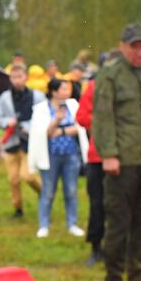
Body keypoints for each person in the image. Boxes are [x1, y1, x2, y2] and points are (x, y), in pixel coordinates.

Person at [91, 23, 141, 281]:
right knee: (118, 224)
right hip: (121, 163)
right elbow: (102, 117)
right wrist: (110, 154)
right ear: (123, 47)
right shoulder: (111, 75)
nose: (139, 52)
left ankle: (137, 273)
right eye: (134, 46)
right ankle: (113, 277)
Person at [30, 77, 87, 238]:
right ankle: (44, 225)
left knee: (71, 190)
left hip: (71, 155)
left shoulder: (73, 105)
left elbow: (80, 128)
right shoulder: (41, 109)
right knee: (48, 191)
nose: (67, 92)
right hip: (51, 156)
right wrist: (57, 120)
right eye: (63, 89)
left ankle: (72, 224)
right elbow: (44, 134)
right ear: (54, 92)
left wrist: (61, 131)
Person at [0, 62, 43, 219]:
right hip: (12, 143)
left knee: (28, 176)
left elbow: (43, 118)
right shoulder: (4, 98)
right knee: (13, 180)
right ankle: (18, 208)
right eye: (13, 77)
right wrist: (8, 122)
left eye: (19, 76)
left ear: (25, 77)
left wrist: (28, 126)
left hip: (29, 143)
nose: (17, 80)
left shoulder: (37, 96)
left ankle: (45, 194)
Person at [75, 53, 111, 266]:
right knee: (97, 203)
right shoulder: (93, 87)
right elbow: (81, 117)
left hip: (122, 156)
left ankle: (117, 245)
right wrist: (103, 121)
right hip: (97, 156)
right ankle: (96, 247)